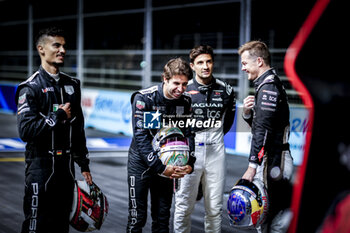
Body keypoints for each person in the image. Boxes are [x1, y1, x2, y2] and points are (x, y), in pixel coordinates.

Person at [15, 27, 92, 233]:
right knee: (35, 225)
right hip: (40, 167)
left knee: (61, 225)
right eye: (56, 45)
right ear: (41, 49)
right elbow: (26, 131)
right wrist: (56, 117)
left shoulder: (72, 84)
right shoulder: (29, 87)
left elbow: (78, 128)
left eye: (64, 46)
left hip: (66, 169)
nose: (62, 50)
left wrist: (83, 163)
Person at [126, 57, 196, 233]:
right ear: (165, 79)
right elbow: (142, 137)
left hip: (168, 164)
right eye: (176, 83)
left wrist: (190, 163)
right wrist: (160, 167)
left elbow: (187, 134)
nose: (180, 89)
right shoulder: (146, 99)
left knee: (162, 219)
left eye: (185, 84)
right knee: (137, 218)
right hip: (142, 163)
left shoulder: (185, 101)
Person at [174, 45, 236, 233]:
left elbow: (229, 122)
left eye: (208, 61)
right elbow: (176, 124)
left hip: (216, 151)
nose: (205, 66)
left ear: (213, 63)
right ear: (192, 66)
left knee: (214, 209)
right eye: (200, 62)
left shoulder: (226, 90)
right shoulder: (183, 90)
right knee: (183, 206)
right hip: (189, 151)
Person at [238, 40, 293, 232]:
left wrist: (252, 166)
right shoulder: (267, 83)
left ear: (259, 61)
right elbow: (262, 126)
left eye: (245, 63)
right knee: (266, 220)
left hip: (275, 160)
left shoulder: (268, 87)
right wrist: (247, 113)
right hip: (273, 157)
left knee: (270, 221)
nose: (243, 68)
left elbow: (262, 131)